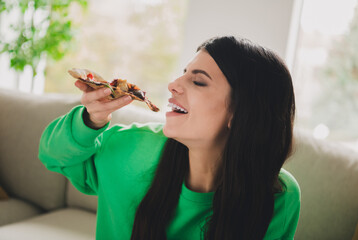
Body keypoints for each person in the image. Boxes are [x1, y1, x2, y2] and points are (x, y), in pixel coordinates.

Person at [39, 36, 300, 240]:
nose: (173, 84)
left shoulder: (277, 195)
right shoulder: (130, 148)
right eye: (183, 73)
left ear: (243, 113)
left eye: (198, 81)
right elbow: (51, 155)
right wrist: (90, 119)